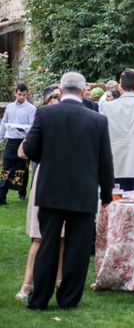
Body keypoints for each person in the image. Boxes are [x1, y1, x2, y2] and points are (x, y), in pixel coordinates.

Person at [23, 72, 114, 310]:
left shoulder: (44, 114)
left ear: (60, 91)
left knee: (48, 244)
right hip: (82, 192)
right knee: (78, 248)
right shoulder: (97, 120)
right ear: (84, 93)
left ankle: (40, 298)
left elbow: (31, 149)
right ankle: (68, 298)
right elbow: (106, 161)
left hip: (51, 190)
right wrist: (106, 195)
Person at [15, 85, 63, 301]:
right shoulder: (41, 122)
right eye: (55, 97)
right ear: (47, 101)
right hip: (44, 180)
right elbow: (22, 151)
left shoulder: (70, 122)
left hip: (65, 182)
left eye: (61, 97)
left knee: (62, 238)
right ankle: (27, 284)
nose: (59, 100)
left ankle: (60, 283)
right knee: (39, 237)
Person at [0, 82, 36, 204]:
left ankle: (21, 192)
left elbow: (32, 127)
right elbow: (4, 122)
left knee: (22, 169)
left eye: (24, 95)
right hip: (11, 140)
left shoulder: (31, 109)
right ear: (15, 93)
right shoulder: (10, 107)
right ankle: (2, 194)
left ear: (27, 94)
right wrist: (0, 136)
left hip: (24, 141)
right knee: (6, 167)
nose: (21, 97)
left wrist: (21, 128)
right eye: (19, 94)